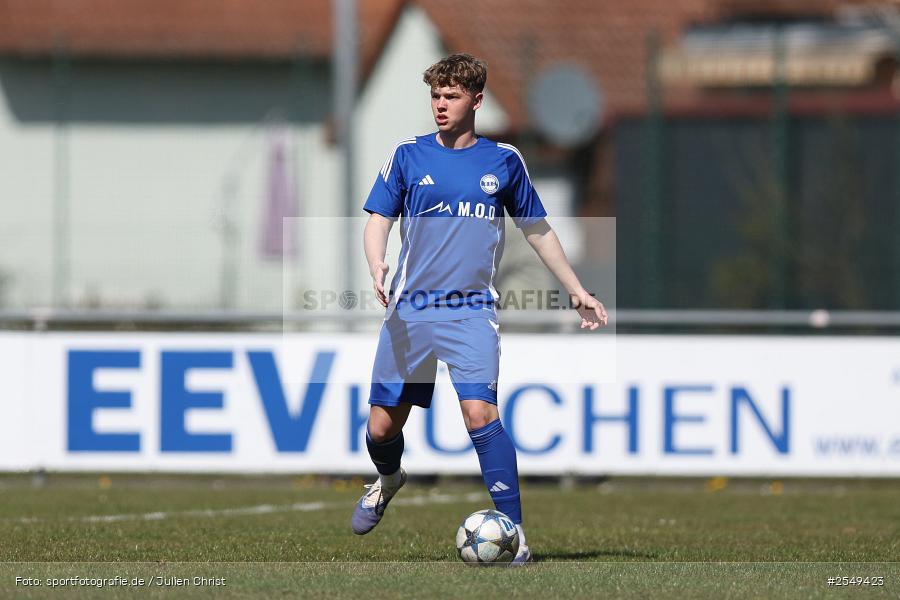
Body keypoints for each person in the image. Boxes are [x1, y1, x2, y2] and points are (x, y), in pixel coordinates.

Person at [351, 53, 607, 564]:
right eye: (435, 96)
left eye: (451, 96)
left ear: (476, 100)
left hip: (471, 311)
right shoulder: (408, 155)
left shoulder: (504, 161)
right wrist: (377, 263)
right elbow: (378, 217)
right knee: (381, 428)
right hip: (411, 310)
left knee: (480, 413)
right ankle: (388, 477)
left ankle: (516, 538)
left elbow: (537, 228)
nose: (440, 105)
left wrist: (576, 288)